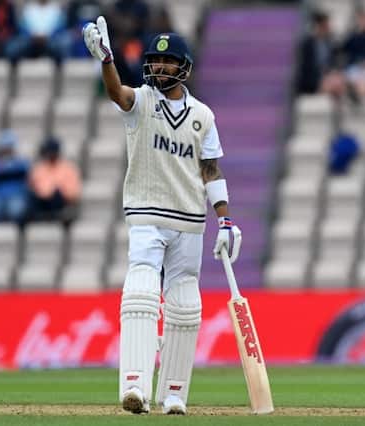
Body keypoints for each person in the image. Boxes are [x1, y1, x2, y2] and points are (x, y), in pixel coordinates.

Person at [83, 17, 242, 415]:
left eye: (168, 61)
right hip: (146, 214)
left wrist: (225, 221)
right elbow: (117, 92)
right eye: (155, 59)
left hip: (189, 219)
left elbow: (211, 170)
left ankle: (174, 394)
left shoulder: (203, 116)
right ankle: (136, 386)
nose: (159, 66)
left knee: (185, 304)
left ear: (183, 66)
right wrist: (107, 60)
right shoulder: (142, 102)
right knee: (141, 290)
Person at [28, 137, 81, 222]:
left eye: (52, 151)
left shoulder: (68, 168)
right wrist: (46, 193)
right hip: (41, 202)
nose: (50, 154)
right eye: (48, 151)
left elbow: (73, 192)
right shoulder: (38, 168)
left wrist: (55, 192)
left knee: (57, 195)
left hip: (61, 202)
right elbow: (32, 186)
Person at [296, 11, 344, 97]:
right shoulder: (307, 44)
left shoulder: (330, 42)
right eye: (325, 25)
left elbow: (336, 61)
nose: (328, 28)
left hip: (329, 77)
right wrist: (322, 77)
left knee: (338, 80)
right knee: (334, 83)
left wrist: (333, 72)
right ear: (317, 26)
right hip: (313, 80)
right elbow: (306, 69)